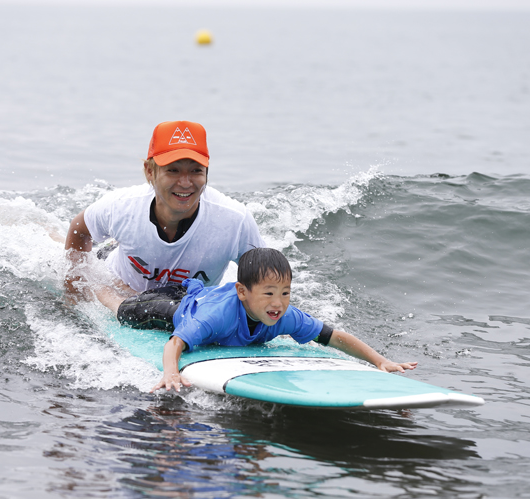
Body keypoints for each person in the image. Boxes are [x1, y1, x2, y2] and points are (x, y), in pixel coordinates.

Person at [115, 247, 418, 393]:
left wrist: (379, 361)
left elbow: (333, 336)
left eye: (285, 293)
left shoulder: (284, 316)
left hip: (204, 295)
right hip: (179, 309)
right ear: (243, 292)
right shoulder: (215, 318)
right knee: (122, 308)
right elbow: (175, 342)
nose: (278, 303)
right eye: (270, 293)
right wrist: (171, 373)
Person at [64, 120, 265, 309]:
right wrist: (73, 289)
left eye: (195, 171)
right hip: (119, 284)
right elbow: (79, 229)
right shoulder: (122, 207)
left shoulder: (235, 221)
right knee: (62, 245)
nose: (185, 183)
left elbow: (264, 281)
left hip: (184, 302)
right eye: (173, 171)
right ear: (150, 172)